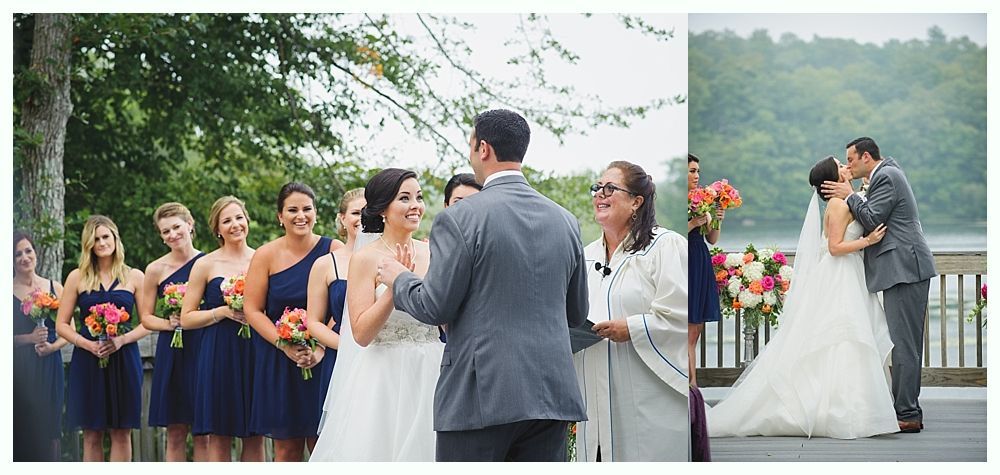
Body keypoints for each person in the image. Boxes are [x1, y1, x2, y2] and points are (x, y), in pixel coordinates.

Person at [380, 109, 588, 462]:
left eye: (470, 144)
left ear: (484, 149)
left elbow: (435, 306)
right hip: (551, 395)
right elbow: (577, 312)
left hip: (481, 394)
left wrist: (400, 278)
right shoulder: (565, 220)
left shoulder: (459, 218)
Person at [708, 156, 898, 439]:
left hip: (849, 272)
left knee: (848, 336)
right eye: (841, 165)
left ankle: (851, 405)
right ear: (833, 178)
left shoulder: (845, 200)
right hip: (840, 273)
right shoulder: (838, 204)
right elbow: (835, 247)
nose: (846, 167)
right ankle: (838, 408)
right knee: (842, 335)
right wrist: (867, 241)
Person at [310, 171, 442, 461]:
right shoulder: (365, 259)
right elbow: (361, 334)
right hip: (383, 376)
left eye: (419, 197)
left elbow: (443, 317)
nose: (415, 205)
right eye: (404, 198)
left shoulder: (433, 253)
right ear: (382, 208)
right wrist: (395, 288)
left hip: (432, 369)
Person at [574, 161, 689, 461]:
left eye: (610, 188)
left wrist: (633, 328)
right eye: (597, 188)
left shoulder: (664, 247)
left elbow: (681, 316)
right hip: (593, 399)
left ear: (636, 201)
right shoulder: (586, 256)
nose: (600, 194)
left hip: (647, 401)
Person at [822, 137, 937, 433]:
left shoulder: (886, 176)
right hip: (903, 268)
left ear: (866, 157)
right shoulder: (886, 173)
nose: (848, 165)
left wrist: (851, 196)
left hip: (905, 268)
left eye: (851, 159)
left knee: (904, 344)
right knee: (905, 343)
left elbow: (873, 218)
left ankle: (907, 414)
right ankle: (909, 410)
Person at [244, 182, 343, 461]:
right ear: (280, 216)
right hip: (279, 360)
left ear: (316, 213)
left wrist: (320, 348)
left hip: (325, 358)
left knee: (324, 445)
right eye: (292, 210)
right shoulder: (265, 255)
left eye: (307, 209)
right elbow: (253, 309)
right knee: (287, 449)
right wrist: (284, 344)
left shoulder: (333, 249)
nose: (301, 216)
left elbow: (342, 305)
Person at [56, 215, 150, 461]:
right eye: (95, 239)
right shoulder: (77, 277)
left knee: (122, 432)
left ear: (116, 238)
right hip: (88, 360)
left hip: (124, 358)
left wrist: (121, 340)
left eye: (106, 237)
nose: (101, 243)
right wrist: (86, 344)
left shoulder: (135, 276)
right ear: (88, 244)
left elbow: (148, 323)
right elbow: (61, 325)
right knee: (91, 433)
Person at [180, 196, 264, 461]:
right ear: (217, 229)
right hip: (219, 353)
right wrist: (223, 312)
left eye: (239, 218)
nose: (235, 225)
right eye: (227, 221)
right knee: (219, 435)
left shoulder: (263, 258)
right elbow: (186, 318)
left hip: (256, 350)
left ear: (247, 220)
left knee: (256, 435)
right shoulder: (205, 264)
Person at [138, 202, 207, 461]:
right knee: (176, 431)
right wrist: (170, 324)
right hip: (173, 351)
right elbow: (146, 317)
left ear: (190, 225)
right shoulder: (155, 269)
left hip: (202, 346)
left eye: (176, 227)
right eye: (165, 231)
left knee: (204, 431)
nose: (173, 234)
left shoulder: (208, 262)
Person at [306, 187, 364, 441]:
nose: (363, 217)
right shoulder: (325, 264)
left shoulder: (390, 256)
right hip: (340, 356)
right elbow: (314, 322)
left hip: (385, 354)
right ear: (342, 218)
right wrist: (347, 346)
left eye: (369, 211)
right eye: (356, 212)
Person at [13, 231, 68, 461]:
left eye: (28, 251)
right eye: (18, 254)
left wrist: (52, 347)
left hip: (50, 365)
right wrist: (29, 338)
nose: (24, 257)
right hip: (19, 369)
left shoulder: (55, 287)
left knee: (50, 429)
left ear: (36, 253)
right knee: (22, 428)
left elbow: (69, 330)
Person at [687, 154, 724, 387]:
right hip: (685, 260)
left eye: (698, 171)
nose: (696, 175)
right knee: (687, 330)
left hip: (700, 259)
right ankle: (691, 387)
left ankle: (693, 388)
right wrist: (693, 223)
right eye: (692, 171)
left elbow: (712, 239)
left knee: (695, 329)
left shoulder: (702, 199)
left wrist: (718, 218)